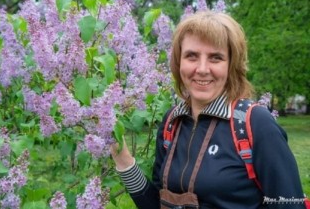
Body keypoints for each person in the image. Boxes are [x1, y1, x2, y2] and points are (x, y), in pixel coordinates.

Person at [110, 11, 307, 209]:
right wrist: (124, 161)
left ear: (231, 65)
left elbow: (290, 204)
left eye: (215, 58)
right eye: (192, 56)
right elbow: (157, 205)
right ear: (179, 63)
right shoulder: (172, 122)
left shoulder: (255, 123)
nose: (202, 69)